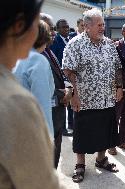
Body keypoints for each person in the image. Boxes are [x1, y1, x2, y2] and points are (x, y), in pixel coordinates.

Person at [0, 0, 62, 188]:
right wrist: (47, 140)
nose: (49, 32)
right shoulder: (15, 101)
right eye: (39, 23)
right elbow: (41, 183)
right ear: (20, 26)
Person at [62, 8, 123, 183]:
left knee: (105, 132)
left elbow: (118, 67)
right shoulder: (75, 44)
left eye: (103, 24)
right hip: (85, 101)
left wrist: (119, 87)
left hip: (106, 99)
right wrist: (73, 94)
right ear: (86, 26)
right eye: (99, 25)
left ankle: (101, 159)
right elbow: (67, 70)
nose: (102, 27)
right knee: (83, 133)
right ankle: (80, 164)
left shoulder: (109, 44)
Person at [41, 13, 73, 168]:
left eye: (54, 28)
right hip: (46, 116)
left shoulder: (49, 51)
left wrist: (68, 87)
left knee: (54, 154)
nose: (53, 32)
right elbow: (40, 91)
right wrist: (64, 94)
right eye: (50, 28)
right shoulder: (34, 57)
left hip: (57, 113)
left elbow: (60, 73)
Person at [13, 20, 55, 136]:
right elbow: (42, 104)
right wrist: (48, 138)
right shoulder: (37, 60)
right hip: (31, 129)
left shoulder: (14, 56)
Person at [108, 22, 125, 155]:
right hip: (118, 87)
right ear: (122, 32)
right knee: (115, 116)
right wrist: (117, 86)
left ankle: (122, 141)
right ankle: (111, 143)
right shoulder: (114, 47)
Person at [50, 18, 73, 136]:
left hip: (70, 76)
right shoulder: (55, 42)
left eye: (67, 26)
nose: (66, 29)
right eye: (63, 27)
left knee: (70, 100)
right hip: (59, 77)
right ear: (58, 29)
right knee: (62, 102)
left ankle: (71, 125)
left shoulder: (70, 40)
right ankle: (62, 129)